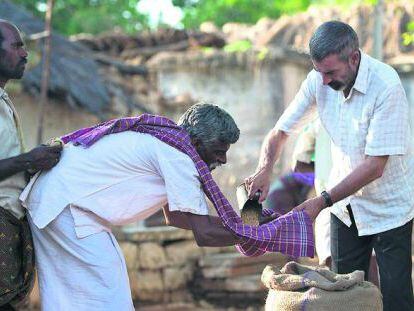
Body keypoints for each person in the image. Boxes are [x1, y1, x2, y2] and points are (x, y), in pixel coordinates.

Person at [245, 20, 413, 310]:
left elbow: (375, 166)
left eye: (331, 72)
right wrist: (264, 168)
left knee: (396, 298)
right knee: (340, 293)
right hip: (344, 207)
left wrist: (320, 202)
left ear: (354, 58)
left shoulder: (386, 85)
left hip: (390, 207)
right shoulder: (318, 79)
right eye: (319, 72)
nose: (323, 81)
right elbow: (281, 131)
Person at [20, 103, 245, 310]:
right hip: (64, 205)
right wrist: (255, 233)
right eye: (218, 151)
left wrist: (245, 225)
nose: (223, 160)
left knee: (83, 297)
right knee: (107, 298)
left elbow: (176, 217)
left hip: (59, 201)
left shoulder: (167, 143)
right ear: (196, 143)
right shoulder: (179, 157)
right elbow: (204, 233)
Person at [0, 20, 62, 310]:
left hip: (13, 222)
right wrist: (28, 160)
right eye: (17, 46)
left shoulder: (4, 101)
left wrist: (34, 164)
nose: (25, 54)